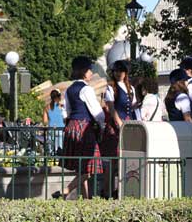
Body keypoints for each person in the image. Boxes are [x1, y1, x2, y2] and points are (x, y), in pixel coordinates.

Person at [52, 56, 105, 200]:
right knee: (88, 168)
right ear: (83, 71)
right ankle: (65, 190)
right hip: (84, 128)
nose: (91, 72)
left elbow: (66, 112)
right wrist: (102, 126)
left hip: (71, 127)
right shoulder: (86, 89)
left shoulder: (69, 90)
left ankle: (86, 201)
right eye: (89, 69)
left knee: (82, 168)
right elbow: (97, 112)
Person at [101, 59, 137, 198]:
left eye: (121, 71)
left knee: (126, 159)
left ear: (126, 72)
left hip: (128, 125)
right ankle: (106, 192)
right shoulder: (111, 87)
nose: (118, 73)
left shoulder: (131, 88)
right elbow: (111, 108)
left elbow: (132, 108)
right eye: (116, 71)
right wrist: (120, 124)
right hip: (115, 126)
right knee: (112, 161)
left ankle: (122, 191)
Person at [43, 89, 66, 155]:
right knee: (60, 151)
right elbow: (65, 118)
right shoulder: (62, 107)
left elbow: (45, 121)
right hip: (61, 130)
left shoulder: (46, 107)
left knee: (51, 152)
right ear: (59, 97)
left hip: (51, 130)